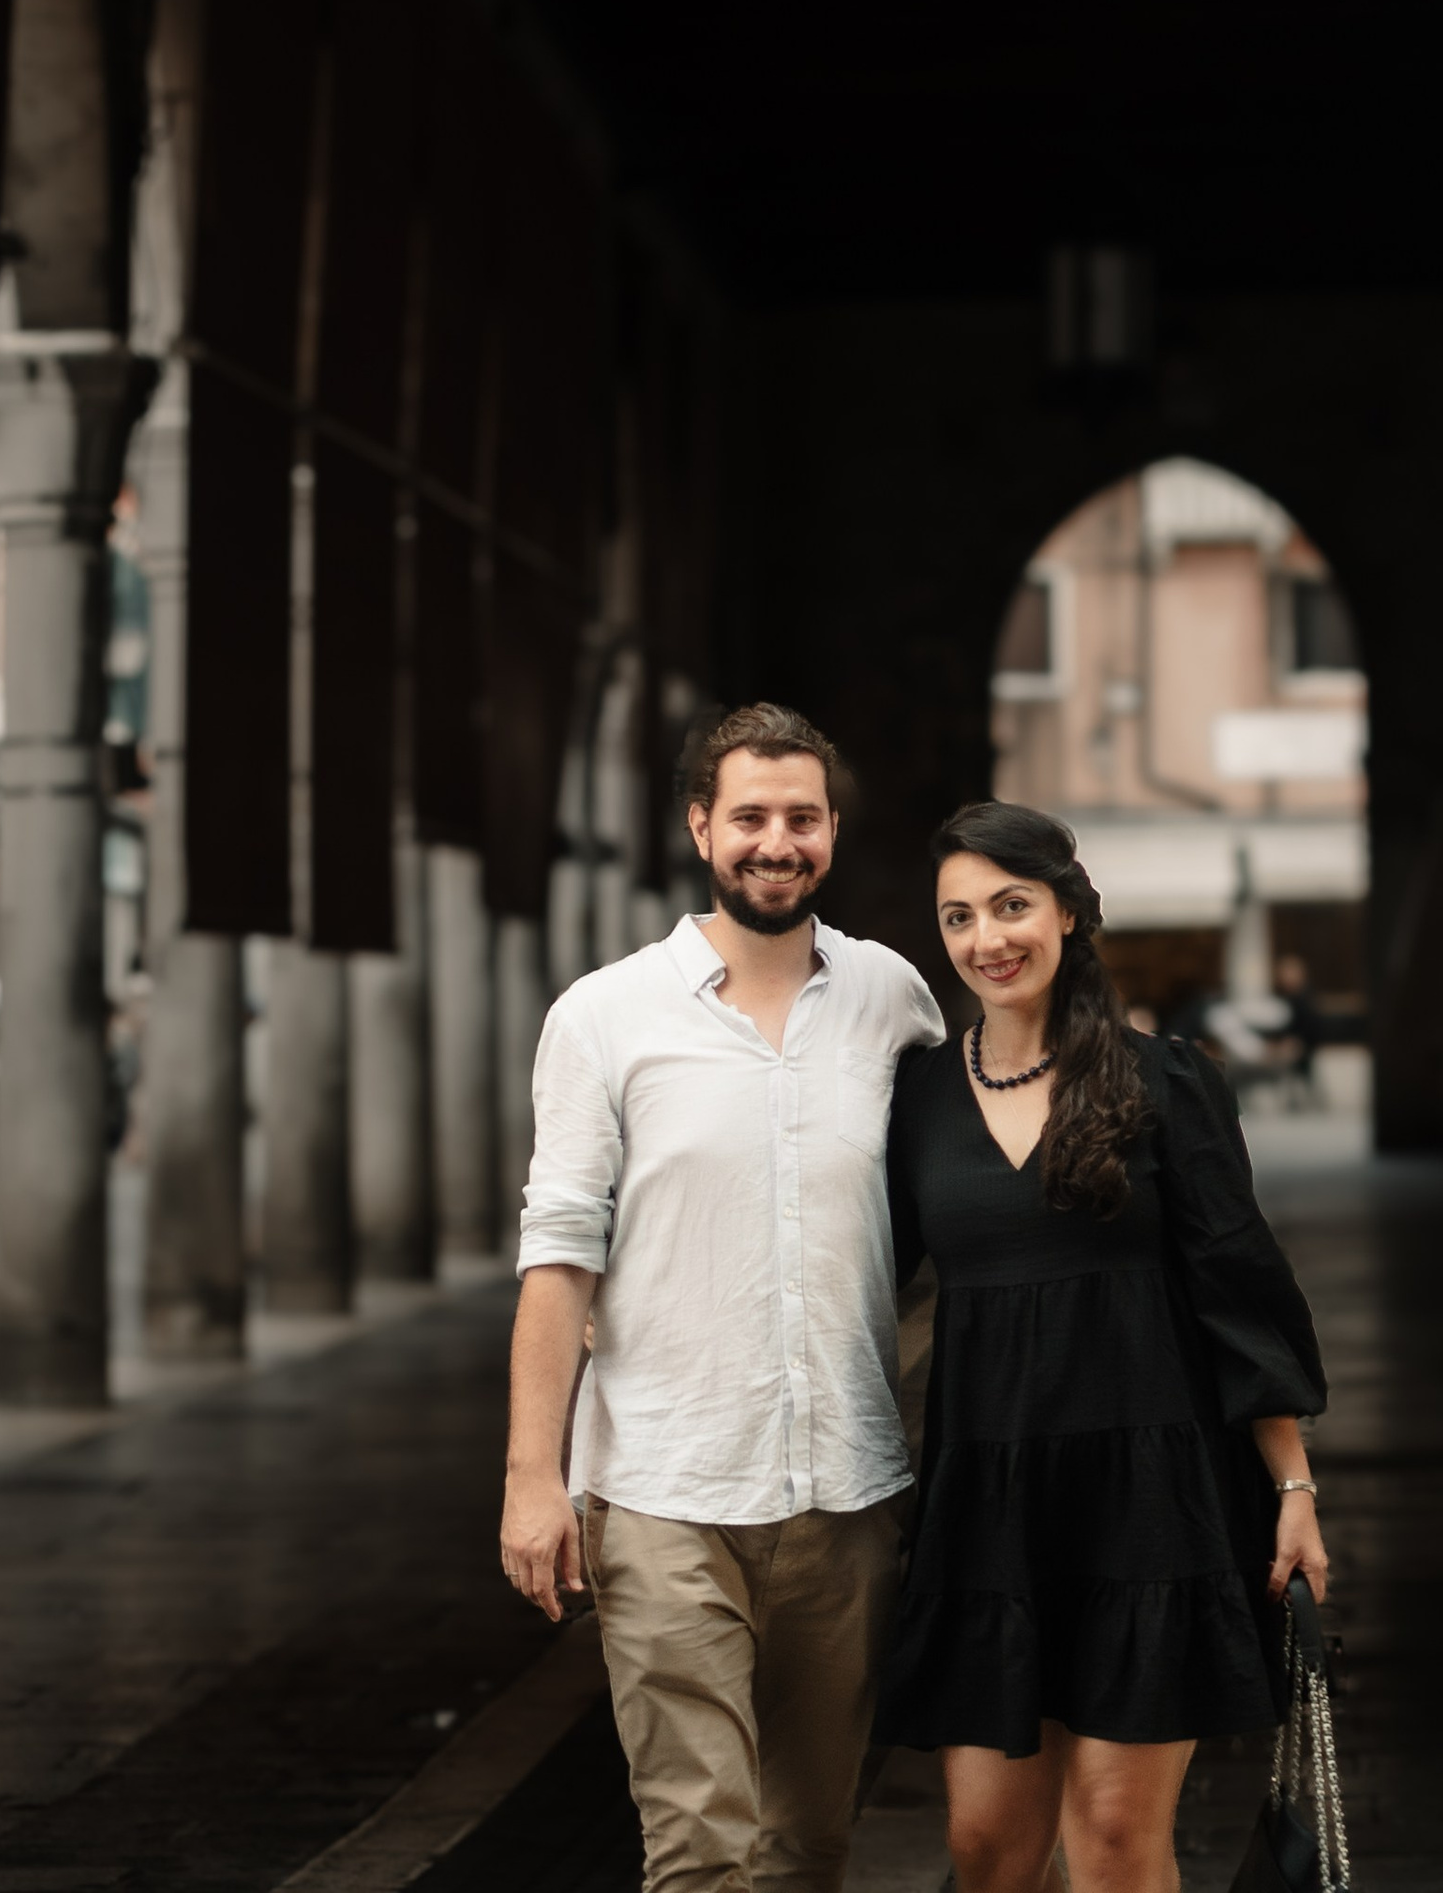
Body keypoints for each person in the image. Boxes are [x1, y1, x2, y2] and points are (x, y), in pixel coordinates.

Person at [501, 702, 946, 1893]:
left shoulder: (894, 1001)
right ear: (702, 828)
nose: (775, 841)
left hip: (846, 1494)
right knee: (697, 1851)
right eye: (748, 815)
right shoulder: (604, 1016)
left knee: (809, 1849)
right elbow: (559, 1253)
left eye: (800, 817)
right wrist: (531, 1480)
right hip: (662, 1490)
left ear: (832, 833)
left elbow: (960, 1218)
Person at [878, 801, 1329, 1893]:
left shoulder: (1167, 1082)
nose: (988, 937)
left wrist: (1295, 1488)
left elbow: (1239, 1293)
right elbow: (851, 1287)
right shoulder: (915, 1101)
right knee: (986, 1848)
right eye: (958, 916)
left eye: (1012, 905)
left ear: (1070, 913)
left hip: (1151, 1500)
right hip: (987, 1506)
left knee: (1116, 1838)